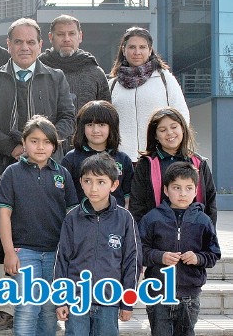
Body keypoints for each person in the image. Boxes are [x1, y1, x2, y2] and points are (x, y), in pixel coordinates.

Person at [0, 115, 78, 335]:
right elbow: (4, 215)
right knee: (27, 307)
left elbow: (72, 219)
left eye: (46, 142)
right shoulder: (12, 173)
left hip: (56, 253)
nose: (40, 146)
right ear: (24, 143)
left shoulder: (63, 174)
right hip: (24, 252)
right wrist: (9, 253)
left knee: (49, 309)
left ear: (54, 145)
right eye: (34, 140)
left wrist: (70, 254)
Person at [0, 18, 75, 174]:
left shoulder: (56, 78)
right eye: (18, 42)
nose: (24, 47)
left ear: (40, 46)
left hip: (48, 166)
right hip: (0, 167)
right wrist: (12, 148)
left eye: (31, 42)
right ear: (9, 45)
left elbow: (69, 118)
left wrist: (41, 144)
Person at [55, 152, 142, 336]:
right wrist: (61, 299)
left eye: (101, 182)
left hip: (109, 300)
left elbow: (132, 262)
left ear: (114, 184)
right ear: (80, 182)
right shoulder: (72, 218)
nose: (93, 188)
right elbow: (61, 260)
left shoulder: (125, 219)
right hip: (77, 300)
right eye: (88, 181)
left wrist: (127, 301)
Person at [139, 162, 221, 336]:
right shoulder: (152, 219)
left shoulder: (203, 221)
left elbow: (213, 254)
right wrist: (160, 257)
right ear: (166, 190)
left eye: (188, 188)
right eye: (177, 187)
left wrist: (198, 258)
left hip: (189, 296)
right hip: (159, 294)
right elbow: (139, 251)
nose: (183, 193)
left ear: (196, 190)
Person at [109, 26, 190, 162]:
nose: (137, 52)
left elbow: (181, 115)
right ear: (123, 50)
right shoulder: (112, 85)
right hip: (122, 160)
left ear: (150, 50)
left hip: (159, 158)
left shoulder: (165, 79)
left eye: (142, 47)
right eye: (132, 47)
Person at [129, 107, 217, 225]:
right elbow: (137, 204)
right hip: (156, 235)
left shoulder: (199, 163)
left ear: (183, 128)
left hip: (193, 235)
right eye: (162, 130)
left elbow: (210, 204)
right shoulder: (146, 164)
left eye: (174, 127)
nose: (169, 133)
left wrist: (208, 236)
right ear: (155, 135)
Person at [61, 100, 133, 208]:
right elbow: (64, 196)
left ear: (111, 127)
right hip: (80, 220)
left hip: (115, 221)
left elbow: (128, 197)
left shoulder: (123, 159)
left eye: (101, 124)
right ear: (82, 127)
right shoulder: (71, 159)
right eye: (90, 124)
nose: (96, 130)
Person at [39, 14, 110, 112]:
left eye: (72, 34)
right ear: (51, 37)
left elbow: (107, 117)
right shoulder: (37, 70)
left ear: (80, 36)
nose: (66, 39)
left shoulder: (95, 73)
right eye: (60, 34)